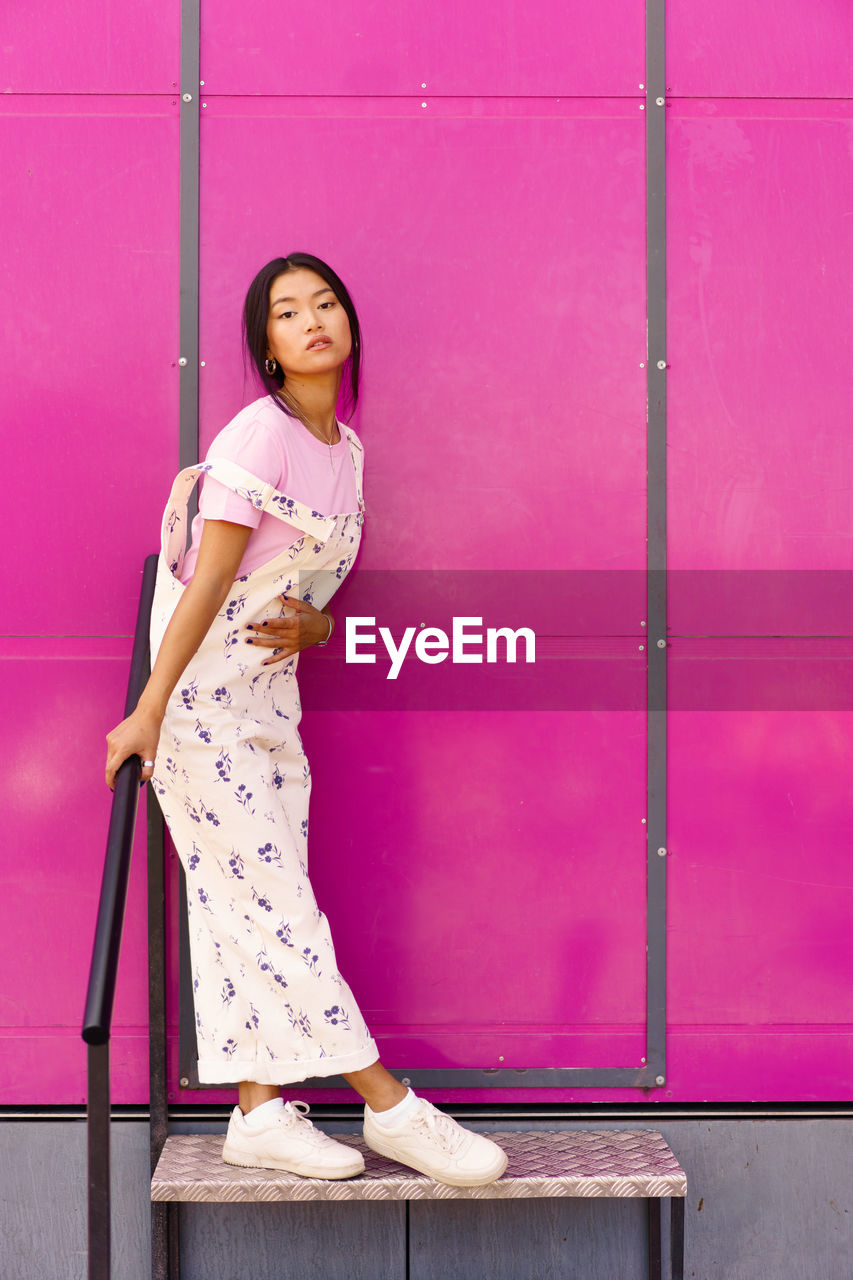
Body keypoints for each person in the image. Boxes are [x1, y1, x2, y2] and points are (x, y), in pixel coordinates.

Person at [105, 253, 508, 1187]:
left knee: (243, 902)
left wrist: (321, 625)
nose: (312, 320)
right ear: (269, 350)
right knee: (277, 907)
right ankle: (390, 1106)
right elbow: (207, 581)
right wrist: (147, 714)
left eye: (324, 303)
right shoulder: (261, 436)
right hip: (198, 705)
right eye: (288, 313)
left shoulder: (347, 453)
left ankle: (257, 1112)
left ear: (348, 326)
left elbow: (310, 586)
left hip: (269, 703)